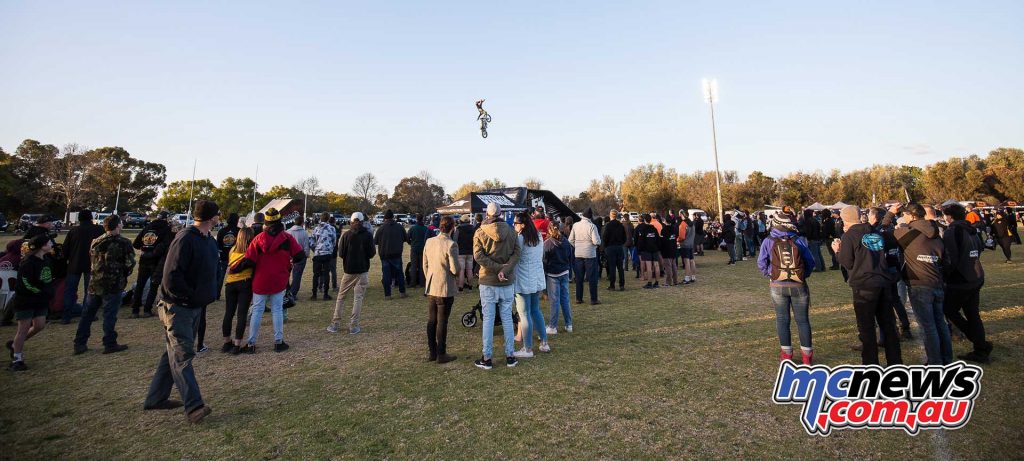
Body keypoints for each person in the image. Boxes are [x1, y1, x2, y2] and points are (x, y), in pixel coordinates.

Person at [143, 200, 219, 424]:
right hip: (178, 307)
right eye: (217, 215)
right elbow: (171, 277)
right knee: (183, 356)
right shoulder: (185, 239)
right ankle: (194, 406)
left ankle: (155, 398)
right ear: (211, 217)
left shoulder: (208, 241)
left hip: (195, 306)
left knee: (174, 353)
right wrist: (189, 297)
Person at [833, 205, 902, 366]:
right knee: (888, 325)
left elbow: (847, 262)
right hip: (882, 281)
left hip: (864, 285)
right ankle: (895, 362)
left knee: (867, 328)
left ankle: (871, 364)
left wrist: (837, 251)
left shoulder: (849, 236)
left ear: (844, 219)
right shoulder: (874, 231)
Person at [888, 203, 951, 365]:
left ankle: (935, 363)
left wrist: (889, 214)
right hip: (936, 281)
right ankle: (945, 358)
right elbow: (946, 260)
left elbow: (883, 232)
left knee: (928, 326)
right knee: (940, 323)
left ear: (910, 215)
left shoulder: (909, 234)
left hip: (919, 284)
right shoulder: (936, 232)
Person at [235, 208, 303, 353]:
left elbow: (249, 260)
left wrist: (235, 268)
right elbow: (300, 255)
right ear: (279, 221)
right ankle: (278, 342)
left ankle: (251, 343)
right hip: (279, 280)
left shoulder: (258, 239)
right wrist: (288, 262)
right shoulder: (287, 238)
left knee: (257, 311)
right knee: (277, 310)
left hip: (260, 280)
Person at [758, 213, 815, 364]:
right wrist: (803, 275)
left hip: (777, 285)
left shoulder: (768, 241)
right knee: (802, 321)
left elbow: (761, 262)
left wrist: (770, 274)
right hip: (798, 285)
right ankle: (807, 356)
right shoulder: (799, 240)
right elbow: (810, 261)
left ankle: (787, 354)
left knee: (782, 320)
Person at [73, 215, 135, 355]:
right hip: (113, 284)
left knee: (87, 315)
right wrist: (123, 274)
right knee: (109, 315)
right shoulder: (123, 242)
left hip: (95, 283)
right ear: (117, 225)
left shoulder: (96, 241)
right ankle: (110, 343)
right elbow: (130, 263)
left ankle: (79, 343)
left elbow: (92, 260)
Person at [941, 204, 992, 363]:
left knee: (948, 310)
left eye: (944, 215)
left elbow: (951, 259)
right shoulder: (971, 229)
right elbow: (979, 249)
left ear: (949, 216)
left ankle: (978, 341)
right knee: (972, 313)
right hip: (975, 276)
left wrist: (945, 274)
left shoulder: (952, 231)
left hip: (961, 280)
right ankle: (980, 349)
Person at [473, 202, 521, 370]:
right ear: (501, 213)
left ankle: (487, 357)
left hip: (488, 281)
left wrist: (498, 269)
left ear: (488, 214)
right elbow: (517, 253)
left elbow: (478, 256)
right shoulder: (512, 232)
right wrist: (504, 269)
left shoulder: (480, 232)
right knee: (507, 318)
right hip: (505, 280)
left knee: (488, 319)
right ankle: (510, 355)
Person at [6, 235, 54, 371]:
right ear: (42, 246)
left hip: (41, 300)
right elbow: (25, 283)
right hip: (26, 300)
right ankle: (17, 359)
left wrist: (48, 292)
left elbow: (48, 279)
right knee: (23, 329)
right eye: (49, 242)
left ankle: (15, 345)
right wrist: (40, 292)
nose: (51, 244)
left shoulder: (46, 260)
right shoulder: (28, 262)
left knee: (39, 325)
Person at [327, 212, 375, 334]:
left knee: (341, 297)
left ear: (351, 221)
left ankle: (335, 323)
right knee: (358, 298)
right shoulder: (368, 235)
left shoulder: (346, 235)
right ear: (362, 221)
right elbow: (372, 253)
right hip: (363, 270)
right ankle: (353, 325)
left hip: (349, 270)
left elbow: (341, 253)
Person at [421, 216, 459, 363]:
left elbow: (425, 264)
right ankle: (441, 353)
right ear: (452, 227)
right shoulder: (451, 244)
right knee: (442, 321)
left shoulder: (429, 241)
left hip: (432, 286)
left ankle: (433, 352)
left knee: (432, 320)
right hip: (444, 287)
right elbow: (455, 269)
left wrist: (430, 278)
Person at [513, 212, 550, 358]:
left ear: (522, 224)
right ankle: (544, 343)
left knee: (524, 314)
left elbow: (515, 257)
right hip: (536, 277)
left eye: (515, 223)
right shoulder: (538, 237)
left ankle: (527, 349)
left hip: (523, 279)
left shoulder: (520, 239)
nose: (514, 226)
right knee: (536, 310)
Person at [61, 210, 104, 324]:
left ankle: (66, 315)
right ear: (91, 218)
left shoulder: (73, 231)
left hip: (74, 264)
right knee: (89, 291)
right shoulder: (98, 230)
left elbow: (65, 249)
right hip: (92, 264)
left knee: (70, 291)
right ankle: (87, 314)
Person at [131, 211, 173, 318]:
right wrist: (154, 252)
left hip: (144, 260)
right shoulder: (166, 229)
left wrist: (145, 249)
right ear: (166, 219)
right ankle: (147, 310)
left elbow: (136, 244)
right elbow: (166, 246)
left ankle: (135, 311)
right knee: (153, 286)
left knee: (140, 285)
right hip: (157, 262)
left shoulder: (147, 228)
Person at [221, 227, 254, 354]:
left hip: (230, 283)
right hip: (244, 283)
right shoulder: (250, 251)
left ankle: (226, 342)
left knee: (228, 313)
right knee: (241, 314)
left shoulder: (232, 249)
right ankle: (237, 344)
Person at [543, 224, 573, 335]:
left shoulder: (547, 244)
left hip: (553, 274)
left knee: (554, 301)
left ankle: (553, 326)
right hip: (564, 272)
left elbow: (544, 262)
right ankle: (569, 324)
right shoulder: (566, 242)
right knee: (565, 299)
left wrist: (544, 274)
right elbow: (570, 258)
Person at [569, 208, 602, 305]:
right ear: (590, 216)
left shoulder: (575, 225)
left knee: (579, 278)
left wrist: (578, 246)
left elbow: (570, 240)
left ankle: (579, 298)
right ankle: (593, 299)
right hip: (590, 255)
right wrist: (594, 246)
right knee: (592, 278)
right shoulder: (592, 226)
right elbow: (597, 241)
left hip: (578, 254)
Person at [374, 210, 408, 300]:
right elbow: (406, 238)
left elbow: (375, 241)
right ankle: (402, 292)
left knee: (386, 275)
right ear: (393, 217)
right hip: (397, 254)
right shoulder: (399, 227)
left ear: (385, 218)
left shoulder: (381, 228)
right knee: (399, 273)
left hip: (384, 255)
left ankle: (387, 295)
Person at [310, 213, 337, 300]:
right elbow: (334, 241)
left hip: (318, 254)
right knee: (326, 274)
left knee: (316, 275)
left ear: (320, 219)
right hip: (327, 254)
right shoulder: (332, 228)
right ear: (328, 219)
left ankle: (314, 294)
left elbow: (311, 241)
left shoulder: (316, 228)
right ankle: (325, 294)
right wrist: (330, 249)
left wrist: (316, 250)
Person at [215, 213, 240, 301]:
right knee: (236, 276)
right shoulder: (239, 231)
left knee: (220, 277)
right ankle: (235, 295)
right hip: (236, 258)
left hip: (223, 257)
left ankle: (216, 294)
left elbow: (218, 245)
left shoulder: (222, 231)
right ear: (237, 220)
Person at [285, 213, 310, 302]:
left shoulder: (287, 232)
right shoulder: (304, 233)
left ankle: (287, 291)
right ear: (302, 223)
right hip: (300, 256)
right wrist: (307, 254)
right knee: (297, 276)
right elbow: (306, 246)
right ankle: (293, 292)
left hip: (288, 256)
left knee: (286, 275)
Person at [634, 213, 661, 288]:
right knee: (656, 265)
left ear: (645, 220)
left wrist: (640, 249)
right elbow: (658, 240)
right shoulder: (654, 229)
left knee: (649, 266)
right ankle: (657, 282)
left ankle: (649, 283)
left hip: (646, 249)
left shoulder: (643, 229)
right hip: (655, 249)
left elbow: (640, 241)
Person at [602, 210, 627, 291]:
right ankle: (622, 285)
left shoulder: (608, 225)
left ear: (610, 215)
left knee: (612, 267)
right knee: (620, 267)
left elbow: (605, 237)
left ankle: (612, 285)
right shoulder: (621, 225)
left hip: (610, 247)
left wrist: (606, 246)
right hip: (619, 247)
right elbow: (624, 237)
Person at [454, 214, 476, 291]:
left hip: (460, 252)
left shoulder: (458, 229)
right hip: (470, 252)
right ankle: (470, 286)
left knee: (461, 271)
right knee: (470, 270)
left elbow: (455, 241)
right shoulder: (473, 228)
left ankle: (461, 287)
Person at [407, 214, 430, 288]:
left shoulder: (412, 228)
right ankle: (422, 283)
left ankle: (413, 283)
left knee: (414, 266)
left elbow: (407, 238)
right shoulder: (426, 228)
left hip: (414, 248)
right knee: (422, 266)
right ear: (422, 219)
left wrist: (411, 243)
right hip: (423, 249)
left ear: (416, 219)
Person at [678, 214, 697, 284]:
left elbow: (681, 237)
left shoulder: (683, 224)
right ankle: (693, 277)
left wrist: (677, 240)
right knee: (692, 260)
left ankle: (687, 278)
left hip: (685, 245)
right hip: (691, 244)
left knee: (687, 261)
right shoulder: (692, 224)